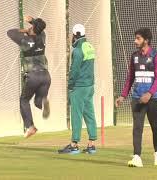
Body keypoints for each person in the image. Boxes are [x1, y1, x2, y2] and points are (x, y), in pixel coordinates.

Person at [115, 28, 157, 167]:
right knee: (137, 128)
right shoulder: (134, 56)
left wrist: (149, 94)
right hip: (137, 98)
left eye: (138, 38)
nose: (135, 41)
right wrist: (123, 95)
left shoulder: (156, 56)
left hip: (153, 99)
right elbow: (130, 78)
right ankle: (137, 157)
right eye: (135, 38)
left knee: (155, 127)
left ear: (146, 40)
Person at [7, 16, 50, 138]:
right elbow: (41, 29)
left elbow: (10, 32)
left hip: (33, 76)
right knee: (37, 103)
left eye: (31, 27)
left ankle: (30, 126)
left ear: (33, 29)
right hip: (46, 76)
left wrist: (25, 31)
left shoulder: (25, 41)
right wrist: (33, 23)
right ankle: (43, 100)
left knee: (24, 100)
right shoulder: (42, 37)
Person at [58, 24, 97, 154]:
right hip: (90, 86)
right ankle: (91, 144)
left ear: (75, 34)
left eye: (72, 35)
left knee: (76, 114)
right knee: (89, 113)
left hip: (79, 86)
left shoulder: (78, 50)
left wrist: (70, 85)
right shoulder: (90, 46)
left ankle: (74, 144)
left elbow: (74, 70)